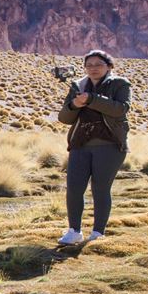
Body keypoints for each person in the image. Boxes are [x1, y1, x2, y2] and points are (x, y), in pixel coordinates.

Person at [56, 49, 131, 245]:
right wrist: (74, 104)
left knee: (100, 188)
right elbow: (64, 118)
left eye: (98, 65)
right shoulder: (78, 85)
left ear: (109, 66)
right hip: (80, 145)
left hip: (109, 145)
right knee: (73, 188)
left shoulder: (120, 84)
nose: (93, 69)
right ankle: (74, 231)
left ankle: (98, 232)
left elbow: (120, 109)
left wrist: (91, 99)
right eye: (89, 65)